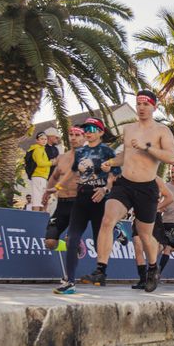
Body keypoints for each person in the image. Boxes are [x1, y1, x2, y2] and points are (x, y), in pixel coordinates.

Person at [90, 91, 174, 292]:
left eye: (146, 104)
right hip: (124, 184)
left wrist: (148, 148)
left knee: (146, 236)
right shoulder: (129, 129)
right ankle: (100, 269)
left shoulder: (162, 131)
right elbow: (126, 155)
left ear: (154, 107)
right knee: (108, 219)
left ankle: (153, 268)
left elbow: (171, 157)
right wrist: (111, 162)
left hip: (146, 188)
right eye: (138, 104)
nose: (141, 108)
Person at [52, 118, 118, 291]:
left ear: (101, 132)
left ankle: (115, 233)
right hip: (81, 199)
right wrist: (57, 187)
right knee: (72, 239)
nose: (87, 132)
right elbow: (72, 172)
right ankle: (69, 282)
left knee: (99, 244)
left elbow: (114, 175)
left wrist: (105, 189)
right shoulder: (81, 152)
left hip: (99, 200)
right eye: (85, 129)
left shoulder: (107, 151)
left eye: (92, 129)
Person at [42, 126, 83, 251]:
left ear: (84, 137)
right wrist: (47, 193)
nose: (73, 138)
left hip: (78, 204)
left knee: (70, 238)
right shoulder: (62, 158)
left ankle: (74, 243)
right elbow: (54, 177)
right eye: (71, 135)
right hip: (61, 204)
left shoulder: (89, 158)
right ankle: (71, 246)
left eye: (77, 135)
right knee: (49, 243)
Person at [23, 131, 51, 211]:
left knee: (41, 199)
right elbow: (40, 163)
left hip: (42, 176)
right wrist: (51, 162)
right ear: (37, 140)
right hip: (38, 176)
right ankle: (36, 217)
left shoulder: (42, 149)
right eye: (41, 139)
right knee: (37, 199)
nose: (44, 140)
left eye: (45, 139)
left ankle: (40, 217)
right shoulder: (38, 149)